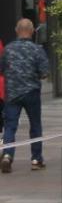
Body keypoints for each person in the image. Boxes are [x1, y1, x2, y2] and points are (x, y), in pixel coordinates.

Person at [0, 19, 49, 173]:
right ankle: (36, 159)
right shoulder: (37, 50)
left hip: (12, 93)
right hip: (31, 93)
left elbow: (1, 69)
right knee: (35, 125)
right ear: (33, 30)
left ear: (16, 30)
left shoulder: (8, 49)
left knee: (10, 126)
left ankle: (7, 155)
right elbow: (45, 73)